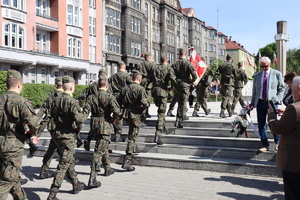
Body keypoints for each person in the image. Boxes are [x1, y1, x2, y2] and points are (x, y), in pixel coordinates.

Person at [0, 70, 39, 199]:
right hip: (13, 145)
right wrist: (32, 134)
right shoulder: (21, 102)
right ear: (19, 85)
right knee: (6, 181)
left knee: (13, 176)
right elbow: (33, 122)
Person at [47, 76, 86, 200]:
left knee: (67, 160)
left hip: (57, 135)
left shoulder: (54, 100)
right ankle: (53, 194)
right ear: (71, 87)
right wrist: (79, 126)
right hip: (67, 136)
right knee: (63, 164)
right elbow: (79, 119)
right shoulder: (72, 102)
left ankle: (76, 184)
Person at [82, 78, 121, 188]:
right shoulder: (109, 96)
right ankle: (92, 177)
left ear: (97, 86)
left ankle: (107, 168)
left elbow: (85, 112)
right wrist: (115, 120)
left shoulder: (90, 97)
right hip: (105, 124)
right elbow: (117, 111)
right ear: (107, 86)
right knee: (99, 151)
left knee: (103, 147)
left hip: (94, 125)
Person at [267, 76, 300, 199]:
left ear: (299, 89)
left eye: (292, 89)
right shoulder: (292, 109)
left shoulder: (294, 108)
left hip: (293, 162)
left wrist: (271, 115)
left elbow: (277, 128)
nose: (291, 93)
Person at [251, 56, 284, 153]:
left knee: (274, 123)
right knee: (261, 125)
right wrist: (252, 103)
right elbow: (254, 91)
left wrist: (278, 99)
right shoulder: (257, 75)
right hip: (260, 102)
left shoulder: (277, 74)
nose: (263, 68)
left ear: (269, 64)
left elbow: (281, 88)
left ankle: (277, 143)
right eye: (261, 66)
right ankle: (265, 145)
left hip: (272, 102)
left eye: (265, 66)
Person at [119, 71, 149, 171]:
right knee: (132, 136)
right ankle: (127, 160)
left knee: (131, 134)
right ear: (139, 79)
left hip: (126, 114)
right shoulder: (140, 89)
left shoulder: (125, 88)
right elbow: (145, 102)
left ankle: (133, 147)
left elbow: (118, 101)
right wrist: (143, 107)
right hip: (135, 114)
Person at [37, 77, 64, 179]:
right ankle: (68, 171)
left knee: (52, 148)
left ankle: (44, 170)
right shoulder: (65, 97)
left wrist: (36, 122)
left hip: (52, 126)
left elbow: (43, 110)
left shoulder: (50, 98)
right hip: (62, 127)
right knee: (64, 150)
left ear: (55, 85)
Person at [151, 53, 176, 145]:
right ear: (167, 60)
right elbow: (173, 79)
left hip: (154, 91)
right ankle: (157, 135)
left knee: (160, 109)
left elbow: (151, 79)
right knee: (161, 113)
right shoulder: (169, 68)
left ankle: (163, 126)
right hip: (162, 91)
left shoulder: (155, 68)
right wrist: (172, 88)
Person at [171, 48, 197, 128]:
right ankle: (178, 120)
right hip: (185, 85)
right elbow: (195, 76)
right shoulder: (188, 64)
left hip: (177, 84)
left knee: (179, 101)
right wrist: (191, 81)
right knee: (183, 103)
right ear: (185, 54)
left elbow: (171, 75)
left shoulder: (175, 64)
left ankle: (178, 118)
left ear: (179, 54)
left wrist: (174, 83)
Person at [84, 70, 109, 151]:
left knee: (94, 128)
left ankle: (88, 140)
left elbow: (86, 96)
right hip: (104, 113)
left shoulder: (92, 85)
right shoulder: (105, 84)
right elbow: (109, 95)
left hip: (94, 111)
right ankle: (105, 148)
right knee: (104, 133)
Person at [108, 61, 132, 142]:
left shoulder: (112, 77)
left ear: (118, 67)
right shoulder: (127, 76)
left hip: (114, 97)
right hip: (123, 97)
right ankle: (121, 135)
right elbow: (131, 86)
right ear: (124, 67)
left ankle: (116, 134)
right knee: (122, 115)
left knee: (116, 115)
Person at [135, 52, 155, 118]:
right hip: (148, 82)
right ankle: (145, 112)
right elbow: (154, 73)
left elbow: (135, 73)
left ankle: (141, 112)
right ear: (149, 57)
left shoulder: (140, 64)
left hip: (140, 82)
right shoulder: (152, 64)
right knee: (148, 98)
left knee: (141, 97)